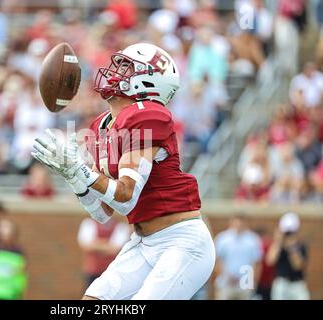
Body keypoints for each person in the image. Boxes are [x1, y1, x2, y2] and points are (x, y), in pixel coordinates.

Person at [32, 43, 216, 300]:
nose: (114, 72)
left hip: (181, 242)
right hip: (143, 242)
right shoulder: (101, 125)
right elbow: (102, 212)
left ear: (149, 81)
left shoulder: (149, 116)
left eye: (125, 67)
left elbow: (126, 196)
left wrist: (80, 169)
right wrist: (72, 175)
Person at [214, 214, 262, 300]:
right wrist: (225, 276)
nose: (239, 225)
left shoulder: (253, 239)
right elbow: (217, 261)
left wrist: (254, 281)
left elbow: (257, 262)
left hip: (246, 283)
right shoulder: (222, 238)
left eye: (241, 222)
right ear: (231, 222)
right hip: (226, 283)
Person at [266, 212, 310, 300]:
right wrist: (278, 241)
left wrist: (292, 248)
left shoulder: (301, 246)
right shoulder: (277, 245)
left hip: (297, 283)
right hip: (281, 282)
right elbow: (270, 261)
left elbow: (298, 266)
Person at [77, 217, 130, 289]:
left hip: (112, 273)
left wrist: (97, 243)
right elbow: (86, 246)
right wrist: (107, 245)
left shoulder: (121, 226)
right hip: (92, 272)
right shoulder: (88, 223)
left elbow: (115, 249)